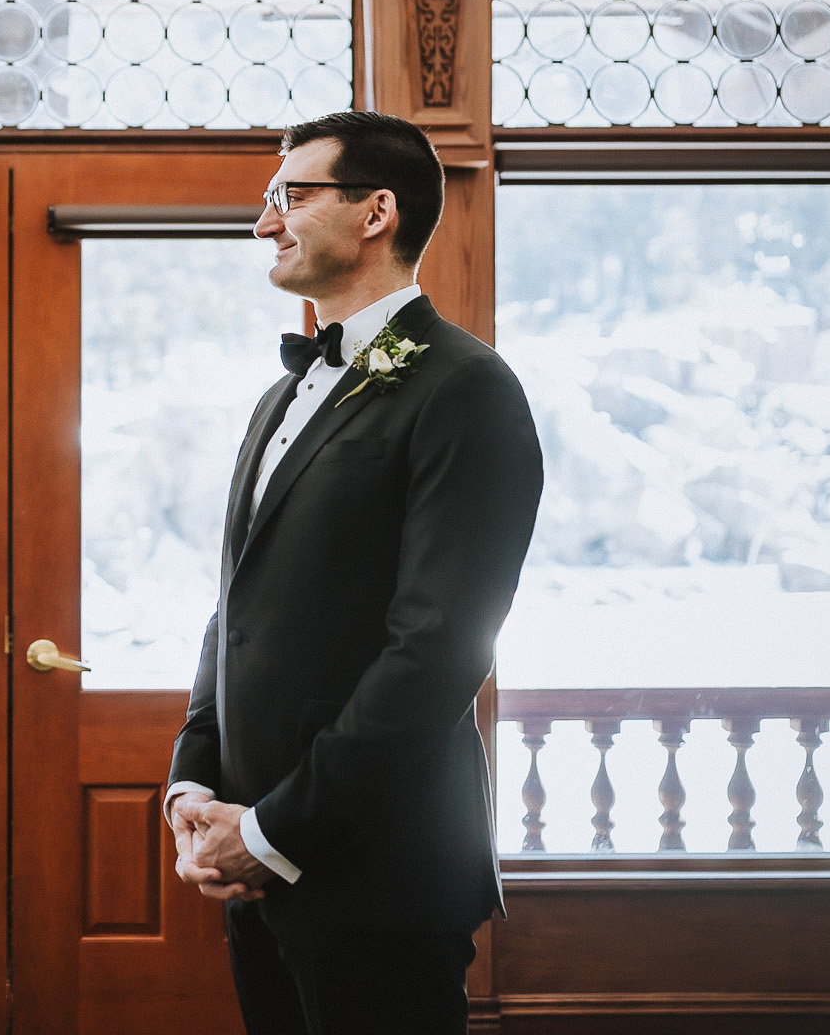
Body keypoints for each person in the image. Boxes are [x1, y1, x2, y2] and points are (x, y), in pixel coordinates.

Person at [166, 110, 544, 1034]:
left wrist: (273, 831)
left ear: (377, 212)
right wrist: (195, 784)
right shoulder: (282, 396)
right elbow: (239, 608)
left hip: (384, 871)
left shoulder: (466, 388)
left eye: (290, 196)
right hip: (255, 863)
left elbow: (440, 649)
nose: (264, 224)